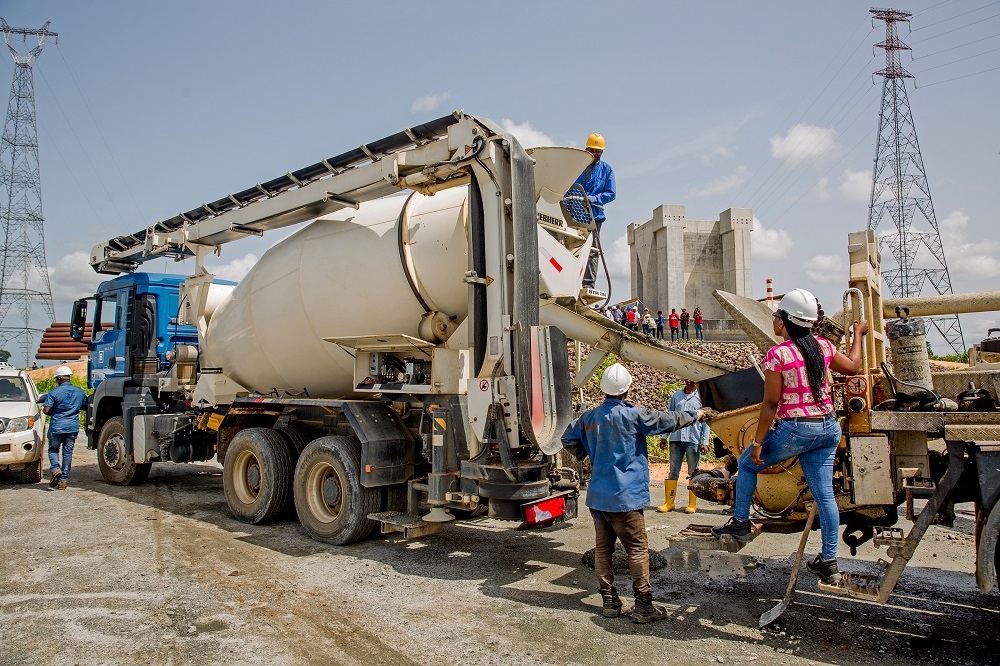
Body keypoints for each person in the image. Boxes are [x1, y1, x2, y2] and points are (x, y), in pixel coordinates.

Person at [712, 288, 869, 585]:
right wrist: (858, 334)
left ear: (784, 322)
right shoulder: (822, 347)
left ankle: (741, 524)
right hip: (827, 428)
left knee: (746, 464)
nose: (773, 320)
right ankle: (829, 561)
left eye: (776, 316)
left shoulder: (778, 354)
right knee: (824, 497)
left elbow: (770, 404)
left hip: (798, 428)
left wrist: (757, 443)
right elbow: (853, 366)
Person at [562, 363, 715, 623]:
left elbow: (568, 439)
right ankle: (643, 606)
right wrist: (697, 415)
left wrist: (586, 456)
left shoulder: (589, 418)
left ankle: (610, 602)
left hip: (598, 497)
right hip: (626, 497)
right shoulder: (633, 416)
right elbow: (667, 420)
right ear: (627, 389)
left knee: (603, 549)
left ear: (604, 389)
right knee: (637, 550)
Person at [656, 380, 710, 514]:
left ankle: (692, 503)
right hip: (676, 438)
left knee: (693, 472)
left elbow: (705, 421)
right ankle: (669, 502)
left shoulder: (700, 398)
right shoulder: (676, 396)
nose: (689, 381)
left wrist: (704, 441)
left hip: (693, 439)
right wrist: (664, 437)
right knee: (673, 471)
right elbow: (670, 417)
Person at [572, 133, 616, 289]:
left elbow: (611, 193)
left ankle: (588, 284)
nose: (595, 154)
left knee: (592, 249)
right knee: (571, 245)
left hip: (594, 215)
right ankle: (570, 279)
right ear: (586, 149)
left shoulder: (606, 170)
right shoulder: (576, 165)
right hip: (573, 214)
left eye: (598, 151)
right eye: (592, 150)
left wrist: (593, 199)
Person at [44, 365, 88, 490]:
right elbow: (85, 406)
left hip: (57, 426)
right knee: (67, 453)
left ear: (58, 379)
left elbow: (46, 410)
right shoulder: (79, 391)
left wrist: (54, 412)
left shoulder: (54, 392)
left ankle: (55, 468)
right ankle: (63, 480)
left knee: (53, 450)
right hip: (72, 427)